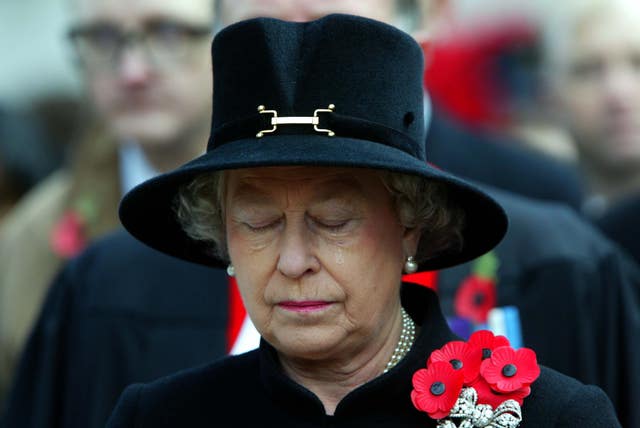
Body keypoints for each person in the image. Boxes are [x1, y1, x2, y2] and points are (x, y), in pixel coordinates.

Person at [106, 14, 619, 426]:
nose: (292, 261)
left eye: (333, 221)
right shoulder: (159, 415)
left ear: (411, 223)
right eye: (258, 223)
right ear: (222, 237)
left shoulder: (549, 417)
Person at [0, 0, 215, 404]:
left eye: (168, 33)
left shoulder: (288, 216)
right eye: (102, 38)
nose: (132, 71)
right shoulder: (29, 240)